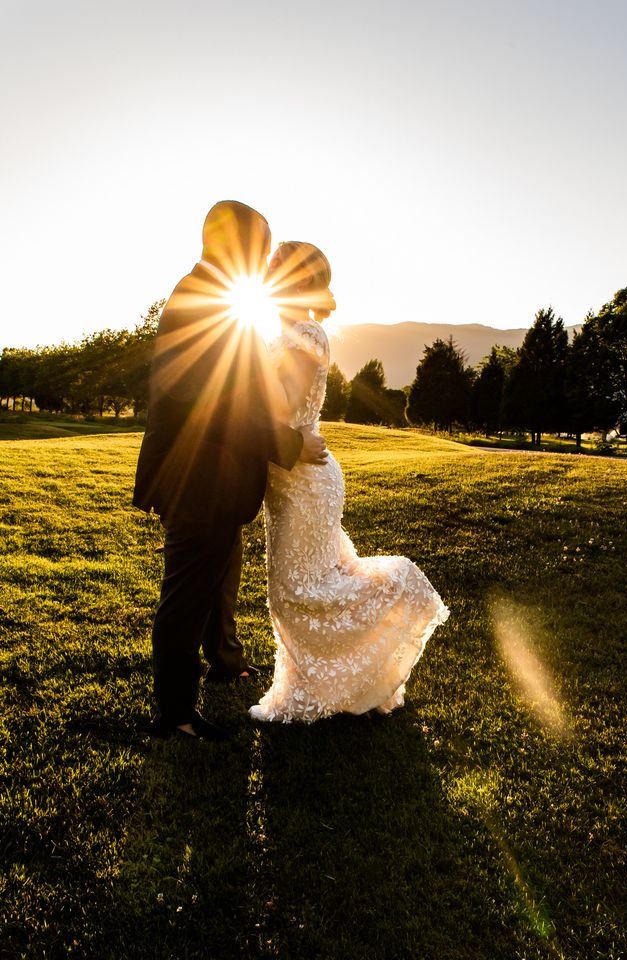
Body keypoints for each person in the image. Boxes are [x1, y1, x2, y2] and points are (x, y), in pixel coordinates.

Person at [133, 203, 327, 740]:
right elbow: (220, 407)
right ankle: (175, 716)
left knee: (205, 586)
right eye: (262, 247)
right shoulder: (205, 301)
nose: (267, 259)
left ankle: (213, 672)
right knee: (186, 597)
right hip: (199, 480)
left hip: (208, 478)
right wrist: (292, 442)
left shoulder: (212, 295)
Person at [249, 242, 450, 722]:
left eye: (279, 273)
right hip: (293, 477)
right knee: (305, 586)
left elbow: (276, 408)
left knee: (298, 591)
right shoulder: (283, 333)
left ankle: (398, 590)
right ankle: (318, 687)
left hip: (304, 478)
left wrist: (238, 381)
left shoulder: (304, 336)